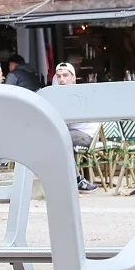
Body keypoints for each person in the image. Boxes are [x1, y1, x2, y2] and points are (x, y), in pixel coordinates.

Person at [53, 62, 101, 192]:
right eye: (59, 76)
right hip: (70, 132)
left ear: (73, 77)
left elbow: (65, 120)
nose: (61, 79)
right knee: (54, 139)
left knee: (59, 139)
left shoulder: (77, 94)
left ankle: (76, 180)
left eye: (65, 75)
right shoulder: (59, 95)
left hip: (86, 134)